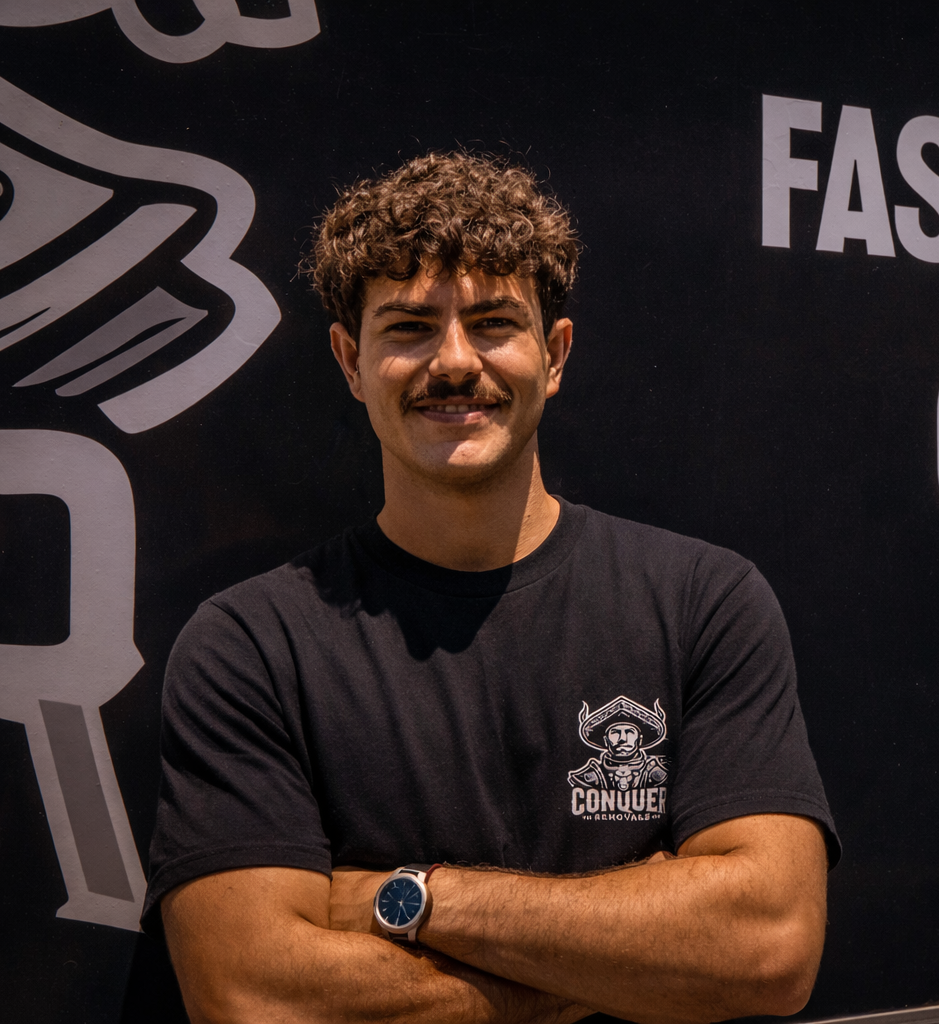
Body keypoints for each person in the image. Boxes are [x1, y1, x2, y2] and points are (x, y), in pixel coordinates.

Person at [147, 152, 839, 1024]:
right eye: (406, 327)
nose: (453, 362)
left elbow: (768, 946)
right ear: (349, 361)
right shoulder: (250, 644)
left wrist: (407, 899)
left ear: (553, 355)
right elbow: (253, 994)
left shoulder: (705, 601)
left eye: (492, 322)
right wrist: (617, 960)